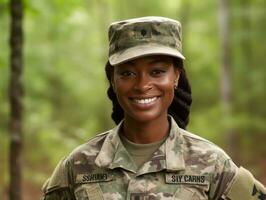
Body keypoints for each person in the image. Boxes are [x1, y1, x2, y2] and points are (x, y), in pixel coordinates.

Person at [41, 16, 266, 200]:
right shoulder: (79, 165)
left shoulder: (212, 164)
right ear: (113, 80)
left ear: (176, 77)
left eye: (157, 71)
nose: (142, 85)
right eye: (127, 73)